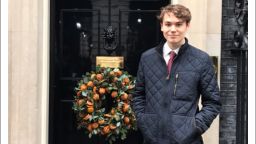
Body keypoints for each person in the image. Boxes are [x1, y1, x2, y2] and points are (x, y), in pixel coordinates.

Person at [132, 4, 221, 144]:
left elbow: (213, 102)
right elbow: (138, 96)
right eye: (168, 24)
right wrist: (145, 123)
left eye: (179, 24)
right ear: (161, 26)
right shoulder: (147, 58)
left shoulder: (202, 59)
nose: (173, 29)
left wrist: (194, 127)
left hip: (189, 140)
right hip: (153, 139)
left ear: (187, 26)